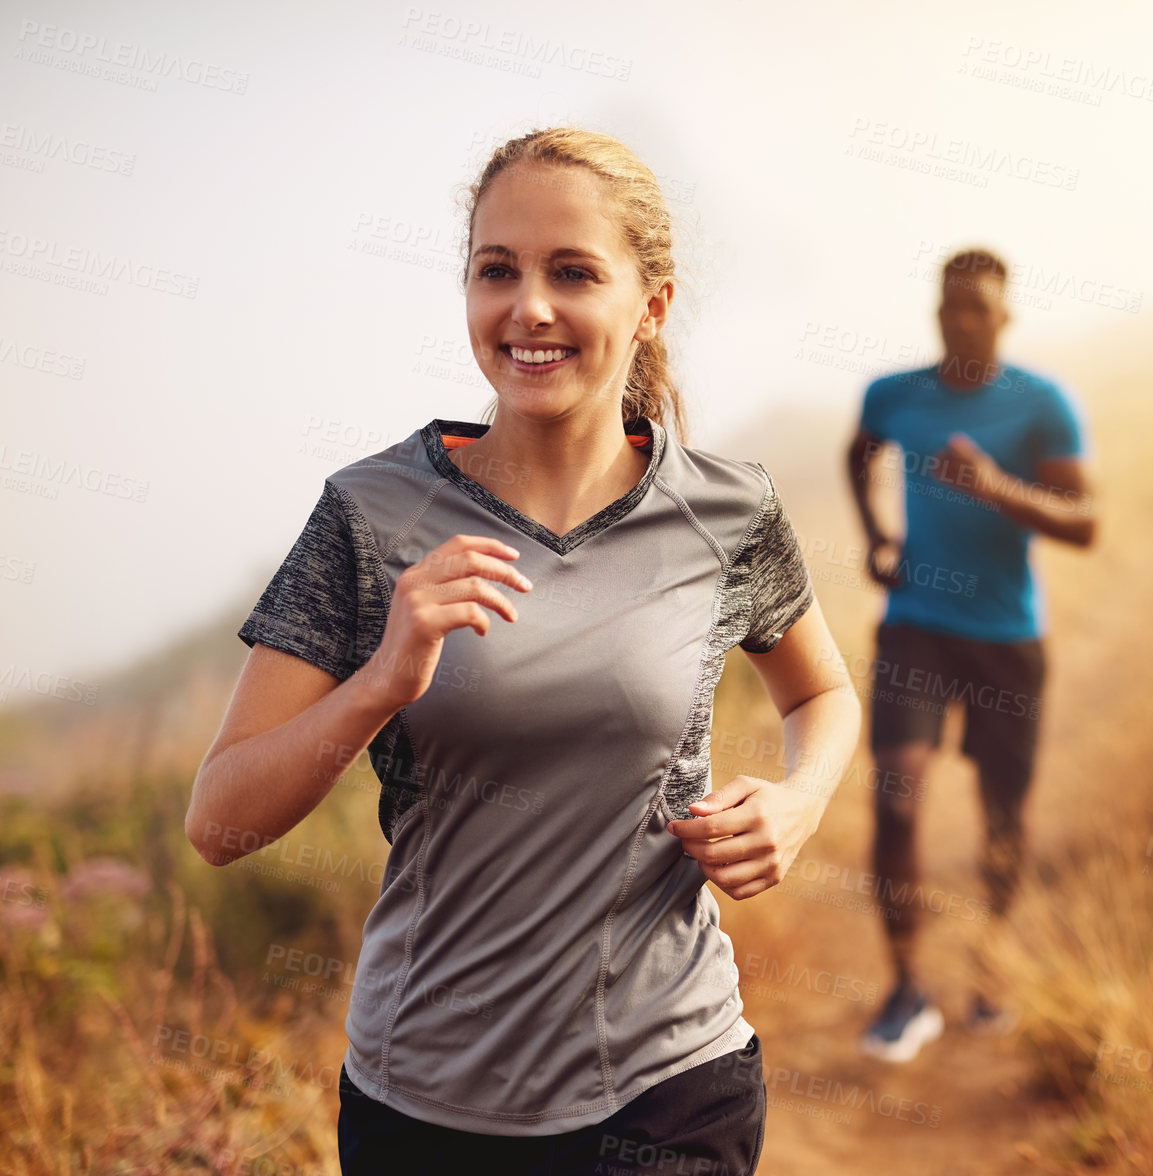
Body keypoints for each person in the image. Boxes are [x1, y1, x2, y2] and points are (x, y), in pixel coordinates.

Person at [186, 126, 862, 1174]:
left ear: (651, 307)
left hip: (668, 1084)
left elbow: (823, 693)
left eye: (573, 272)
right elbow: (218, 822)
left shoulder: (726, 509)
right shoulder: (371, 514)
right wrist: (382, 680)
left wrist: (799, 799)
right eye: (495, 271)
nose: (528, 308)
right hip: (424, 1103)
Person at [846, 247, 1096, 1063]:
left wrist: (995, 487)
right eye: (951, 308)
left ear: (1005, 316)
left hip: (1006, 639)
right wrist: (878, 534)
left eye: (980, 310)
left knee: (1002, 818)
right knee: (897, 799)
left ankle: (992, 965)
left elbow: (1085, 522)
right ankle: (906, 987)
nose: (964, 322)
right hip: (917, 622)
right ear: (936, 312)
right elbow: (861, 452)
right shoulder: (894, 395)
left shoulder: (1041, 404)